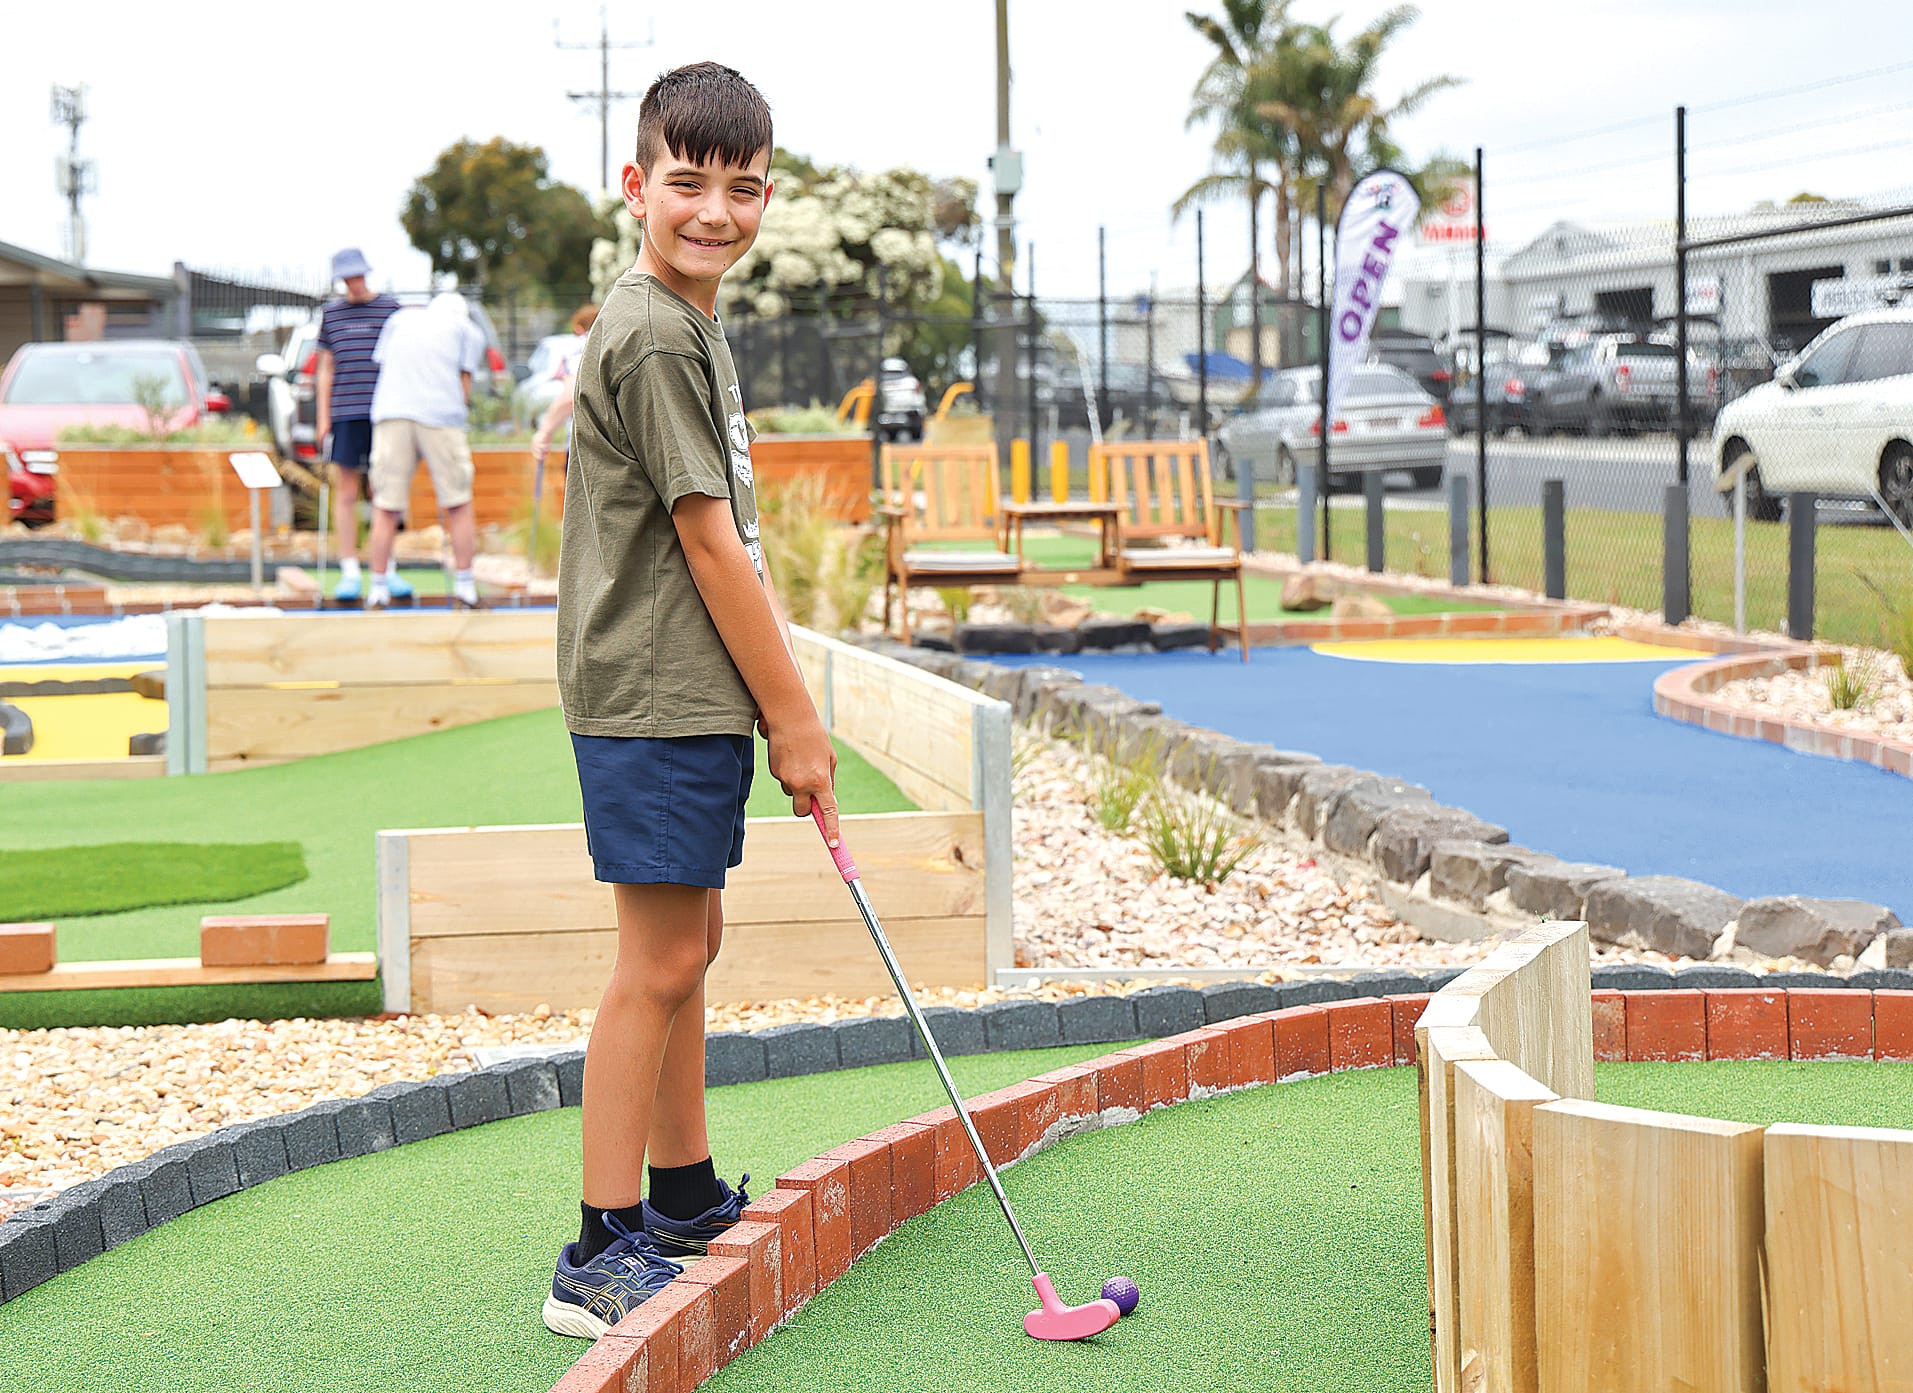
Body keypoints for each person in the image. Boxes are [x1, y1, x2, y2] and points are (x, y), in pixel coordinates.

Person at [542, 61, 838, 1342]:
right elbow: (711, 545)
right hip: (655, 689)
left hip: (681, 688)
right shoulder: (658, 330)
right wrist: (800, 719)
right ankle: (596, 1249)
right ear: (635, 185)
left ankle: (679, 1196)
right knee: (655, 959)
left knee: (689, 947)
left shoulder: (685, 318)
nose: (715, 209)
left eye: (743, 186)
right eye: (687, 181)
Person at [365, 292, 487, 609]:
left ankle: (377, 590)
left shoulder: (398, 319)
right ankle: (465, 589)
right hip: (441, 415)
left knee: (385, 505)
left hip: (392, 412)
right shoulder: (466, 330)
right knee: (458, 502)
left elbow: (382, 366)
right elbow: (464, 383)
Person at [313, 248, 400, 604]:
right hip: (346, 411)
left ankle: (387, 567)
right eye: (347, 277)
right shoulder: (331, 315)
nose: (354, 283)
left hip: (384, 412)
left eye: (358, 275)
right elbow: (326, 369)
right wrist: (323, 418)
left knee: (384, 492)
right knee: (346, 492)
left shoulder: (390, 309)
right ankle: (349, 568)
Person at [528, 303, 600, 475]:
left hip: (587, 447)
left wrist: (544, 432)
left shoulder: (580, 348)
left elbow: (571, 393)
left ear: (578, 327)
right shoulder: (615, 342)